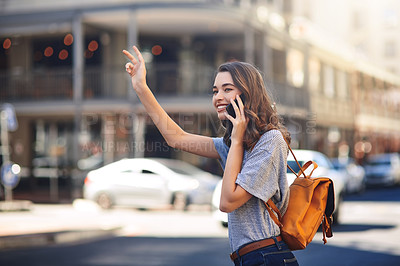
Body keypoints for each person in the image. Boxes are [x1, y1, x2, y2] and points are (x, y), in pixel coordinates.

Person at [123, 46, 299, 266]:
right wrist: (141, 87)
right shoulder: (234, 145)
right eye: (215, 91)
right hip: (249, 258)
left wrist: (235, 141)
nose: (218, 97)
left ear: (248, 94)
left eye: (227, 89)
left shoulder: (269, 141)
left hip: (266, 256)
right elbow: (176, 138)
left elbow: (227, 202)